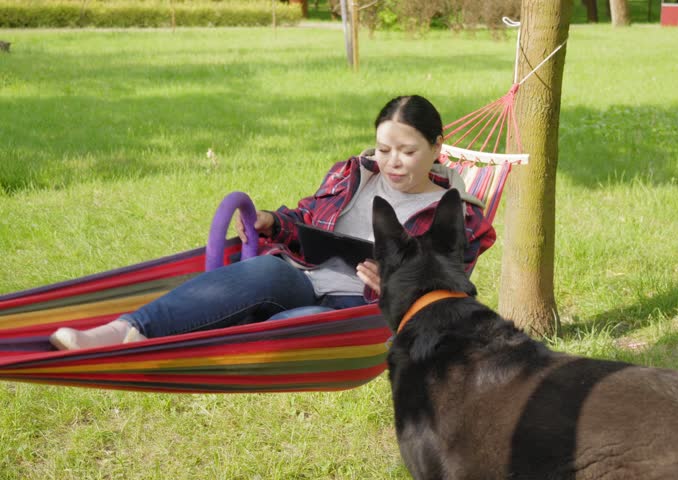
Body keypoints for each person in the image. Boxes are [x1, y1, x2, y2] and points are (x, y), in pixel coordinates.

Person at [49, 95, 496, 350]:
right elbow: (305, 219)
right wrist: (271, 221)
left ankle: (184, 337)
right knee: (263, 270)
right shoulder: (353, 174)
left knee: (295, 325)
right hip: (302, 277)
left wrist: (397, 285)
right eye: (383, 148)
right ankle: (121, 332)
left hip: (357, 314)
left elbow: (451, 294)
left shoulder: (459, 214)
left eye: (407, 151)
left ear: (438, 148)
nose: (392, 162)